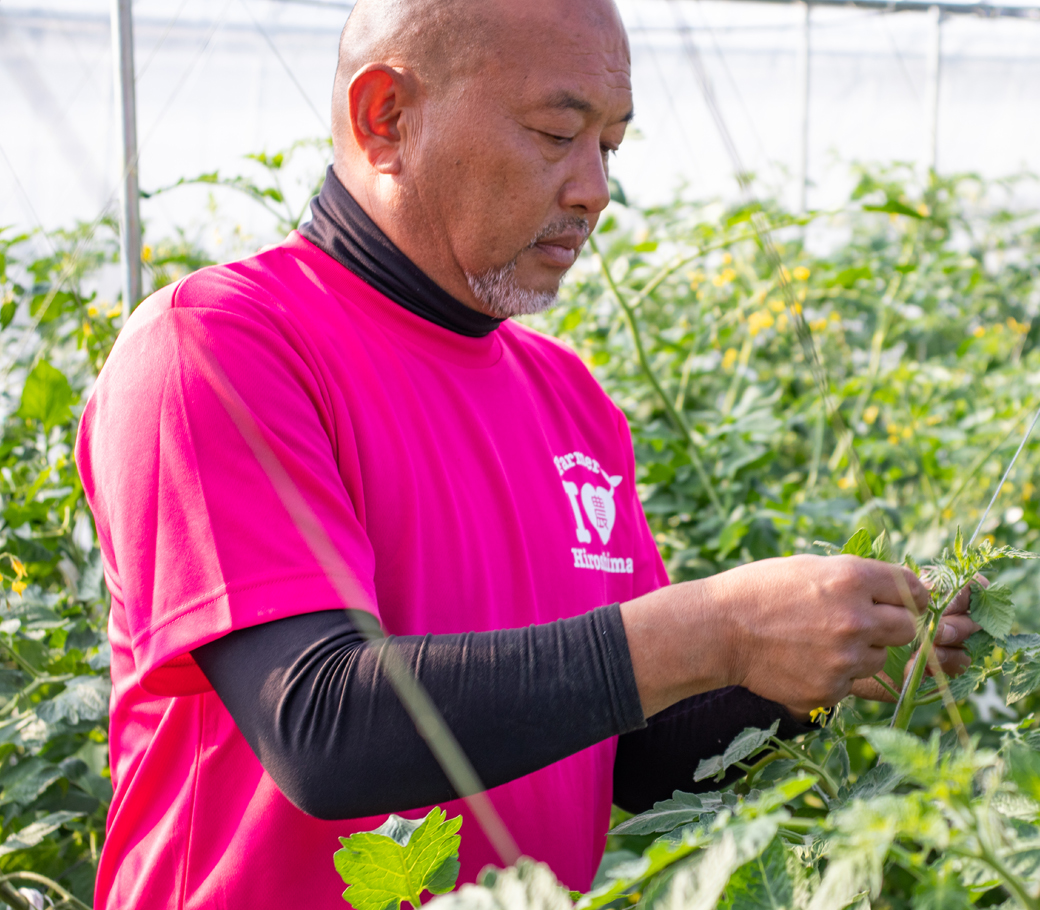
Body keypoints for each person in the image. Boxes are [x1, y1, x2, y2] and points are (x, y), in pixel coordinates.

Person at [73, 0, 982, 906]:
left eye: (612, 147)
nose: (595, 190)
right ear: (384, 117)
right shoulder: (222, 347)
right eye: (557, 133)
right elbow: (321, 728)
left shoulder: (571, 402)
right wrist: (719, 629)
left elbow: (630, 753)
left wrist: (804, 665)